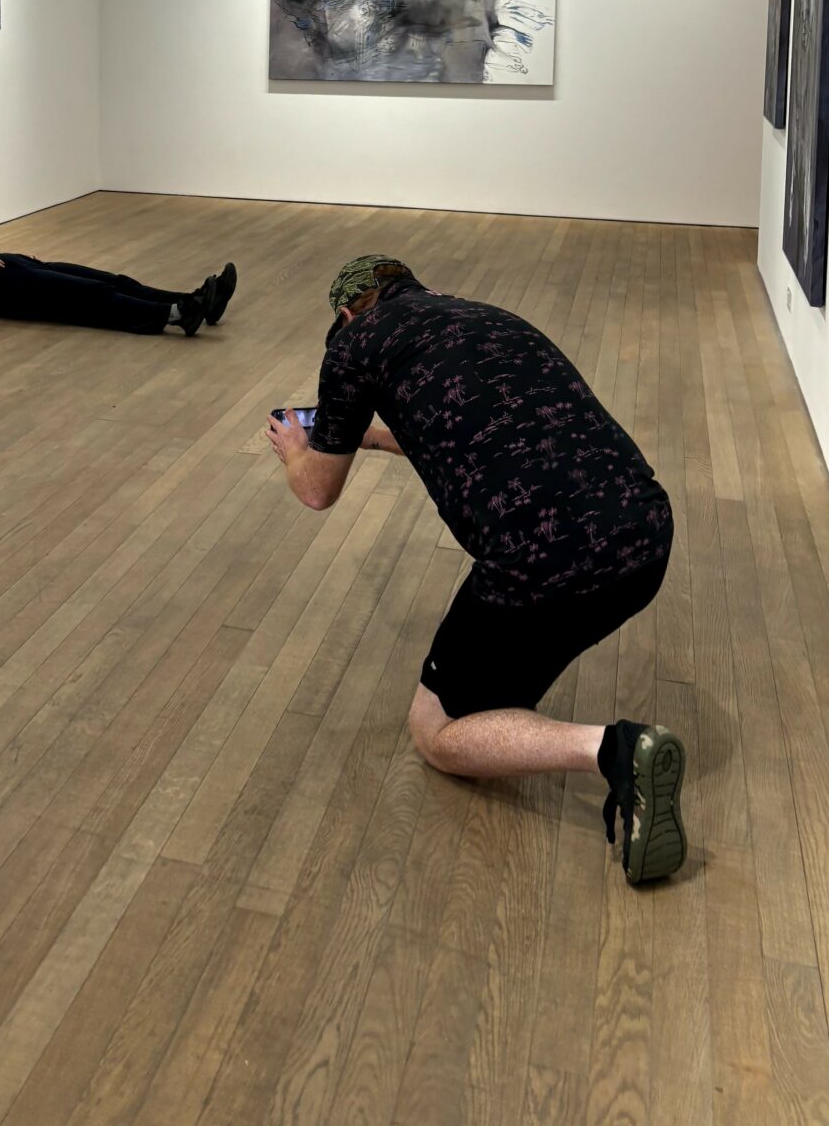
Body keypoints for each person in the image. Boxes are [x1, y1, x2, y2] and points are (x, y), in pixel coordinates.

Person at [266, 253, 686, 885]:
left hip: (543, 567)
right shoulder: (485, 318)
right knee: (500, 690)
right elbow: (470, 421)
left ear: (350, 312)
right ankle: (511, 709)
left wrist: (297, 449)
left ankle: (613, 749)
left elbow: (318, 491)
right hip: (645, 537)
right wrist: (376, 437)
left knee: (437, 730)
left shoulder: (355, 344)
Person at [0, 243, 237, 336]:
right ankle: (175, 316)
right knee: (91, 296)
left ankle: (193, 301)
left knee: (113, 280)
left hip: (12, 267)